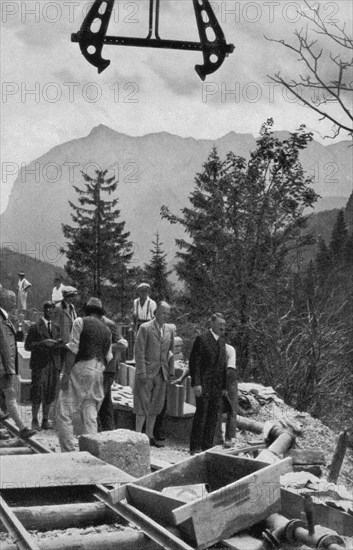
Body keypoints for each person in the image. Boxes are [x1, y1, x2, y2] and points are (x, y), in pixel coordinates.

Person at [56, 297, 112, 452]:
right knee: (90, 411)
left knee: (64, 410)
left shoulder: (80, 322)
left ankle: (68, 451)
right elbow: (109, 357)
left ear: (87, 310)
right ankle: (90, 452)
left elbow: (73, 349)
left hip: (81, 366)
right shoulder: (107, 330)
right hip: (98, 369)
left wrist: (66, 374)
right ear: (100, 314)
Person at [82, 297, 128, 431]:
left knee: (96, 400)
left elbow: (122, 345)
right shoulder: (88, 324)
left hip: (107, 368)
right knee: (105, 402)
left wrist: (105, 347)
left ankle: (97, 430)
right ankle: (108, 430)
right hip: (94, 367)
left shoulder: (109, 325)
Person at [133, 301, 175, 447]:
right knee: (142, 404)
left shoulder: (169, 330)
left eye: (168, 314)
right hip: (147, 371)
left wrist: (171, 371)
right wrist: (141, 372)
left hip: (161, 372)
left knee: (156, 406)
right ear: (156, 312)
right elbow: (139, 351)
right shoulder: (145, 328)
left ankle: (149, 435)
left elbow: (171, 352)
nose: (166, 316)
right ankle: (138, 435)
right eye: (163, 313)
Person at [189, 313, 228, 455]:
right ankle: (195, 447)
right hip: (204, 385)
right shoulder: (202, 339)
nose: (222, 327)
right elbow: (195, 363)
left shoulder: (222, 341)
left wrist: (224, 386)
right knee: (201, 415)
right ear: (212, 324)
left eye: (224, 325)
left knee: (212, 417)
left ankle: (207, 447)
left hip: (217, 387)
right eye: (220, 324)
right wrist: (196, 383)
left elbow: (223, 365)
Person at [0, 290, 37, 438]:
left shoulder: (6, 319)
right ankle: (21, 428)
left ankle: (18, 427)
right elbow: (4, 346)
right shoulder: (1, 320)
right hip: (3, 367)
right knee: (10, 395)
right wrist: (10, 369)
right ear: (3, 301)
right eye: (12, 300)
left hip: (4, 366)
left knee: (8, 398)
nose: (15, 303)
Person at [24, 301, 62, 431]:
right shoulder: (35, 327)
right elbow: (28, 346)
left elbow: (60, 346)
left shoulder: (57, 328)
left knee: (50, 392)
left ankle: (45, 420)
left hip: (53, 364)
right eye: (48, 312)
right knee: (37, 392)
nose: (51, 314)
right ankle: (34, 420)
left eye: (53, 312)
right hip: (40, 364)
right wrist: (43, 343)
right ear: (44, 311)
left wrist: (58, 344)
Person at [214, 343, 238, 448]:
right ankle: (217, 439)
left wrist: (223, 386)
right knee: (217, 409)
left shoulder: (229, 349)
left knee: (232, 410)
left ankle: (230, 438)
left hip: (229, 379)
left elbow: (230, 370)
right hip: (215, 379)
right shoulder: (208, 349)